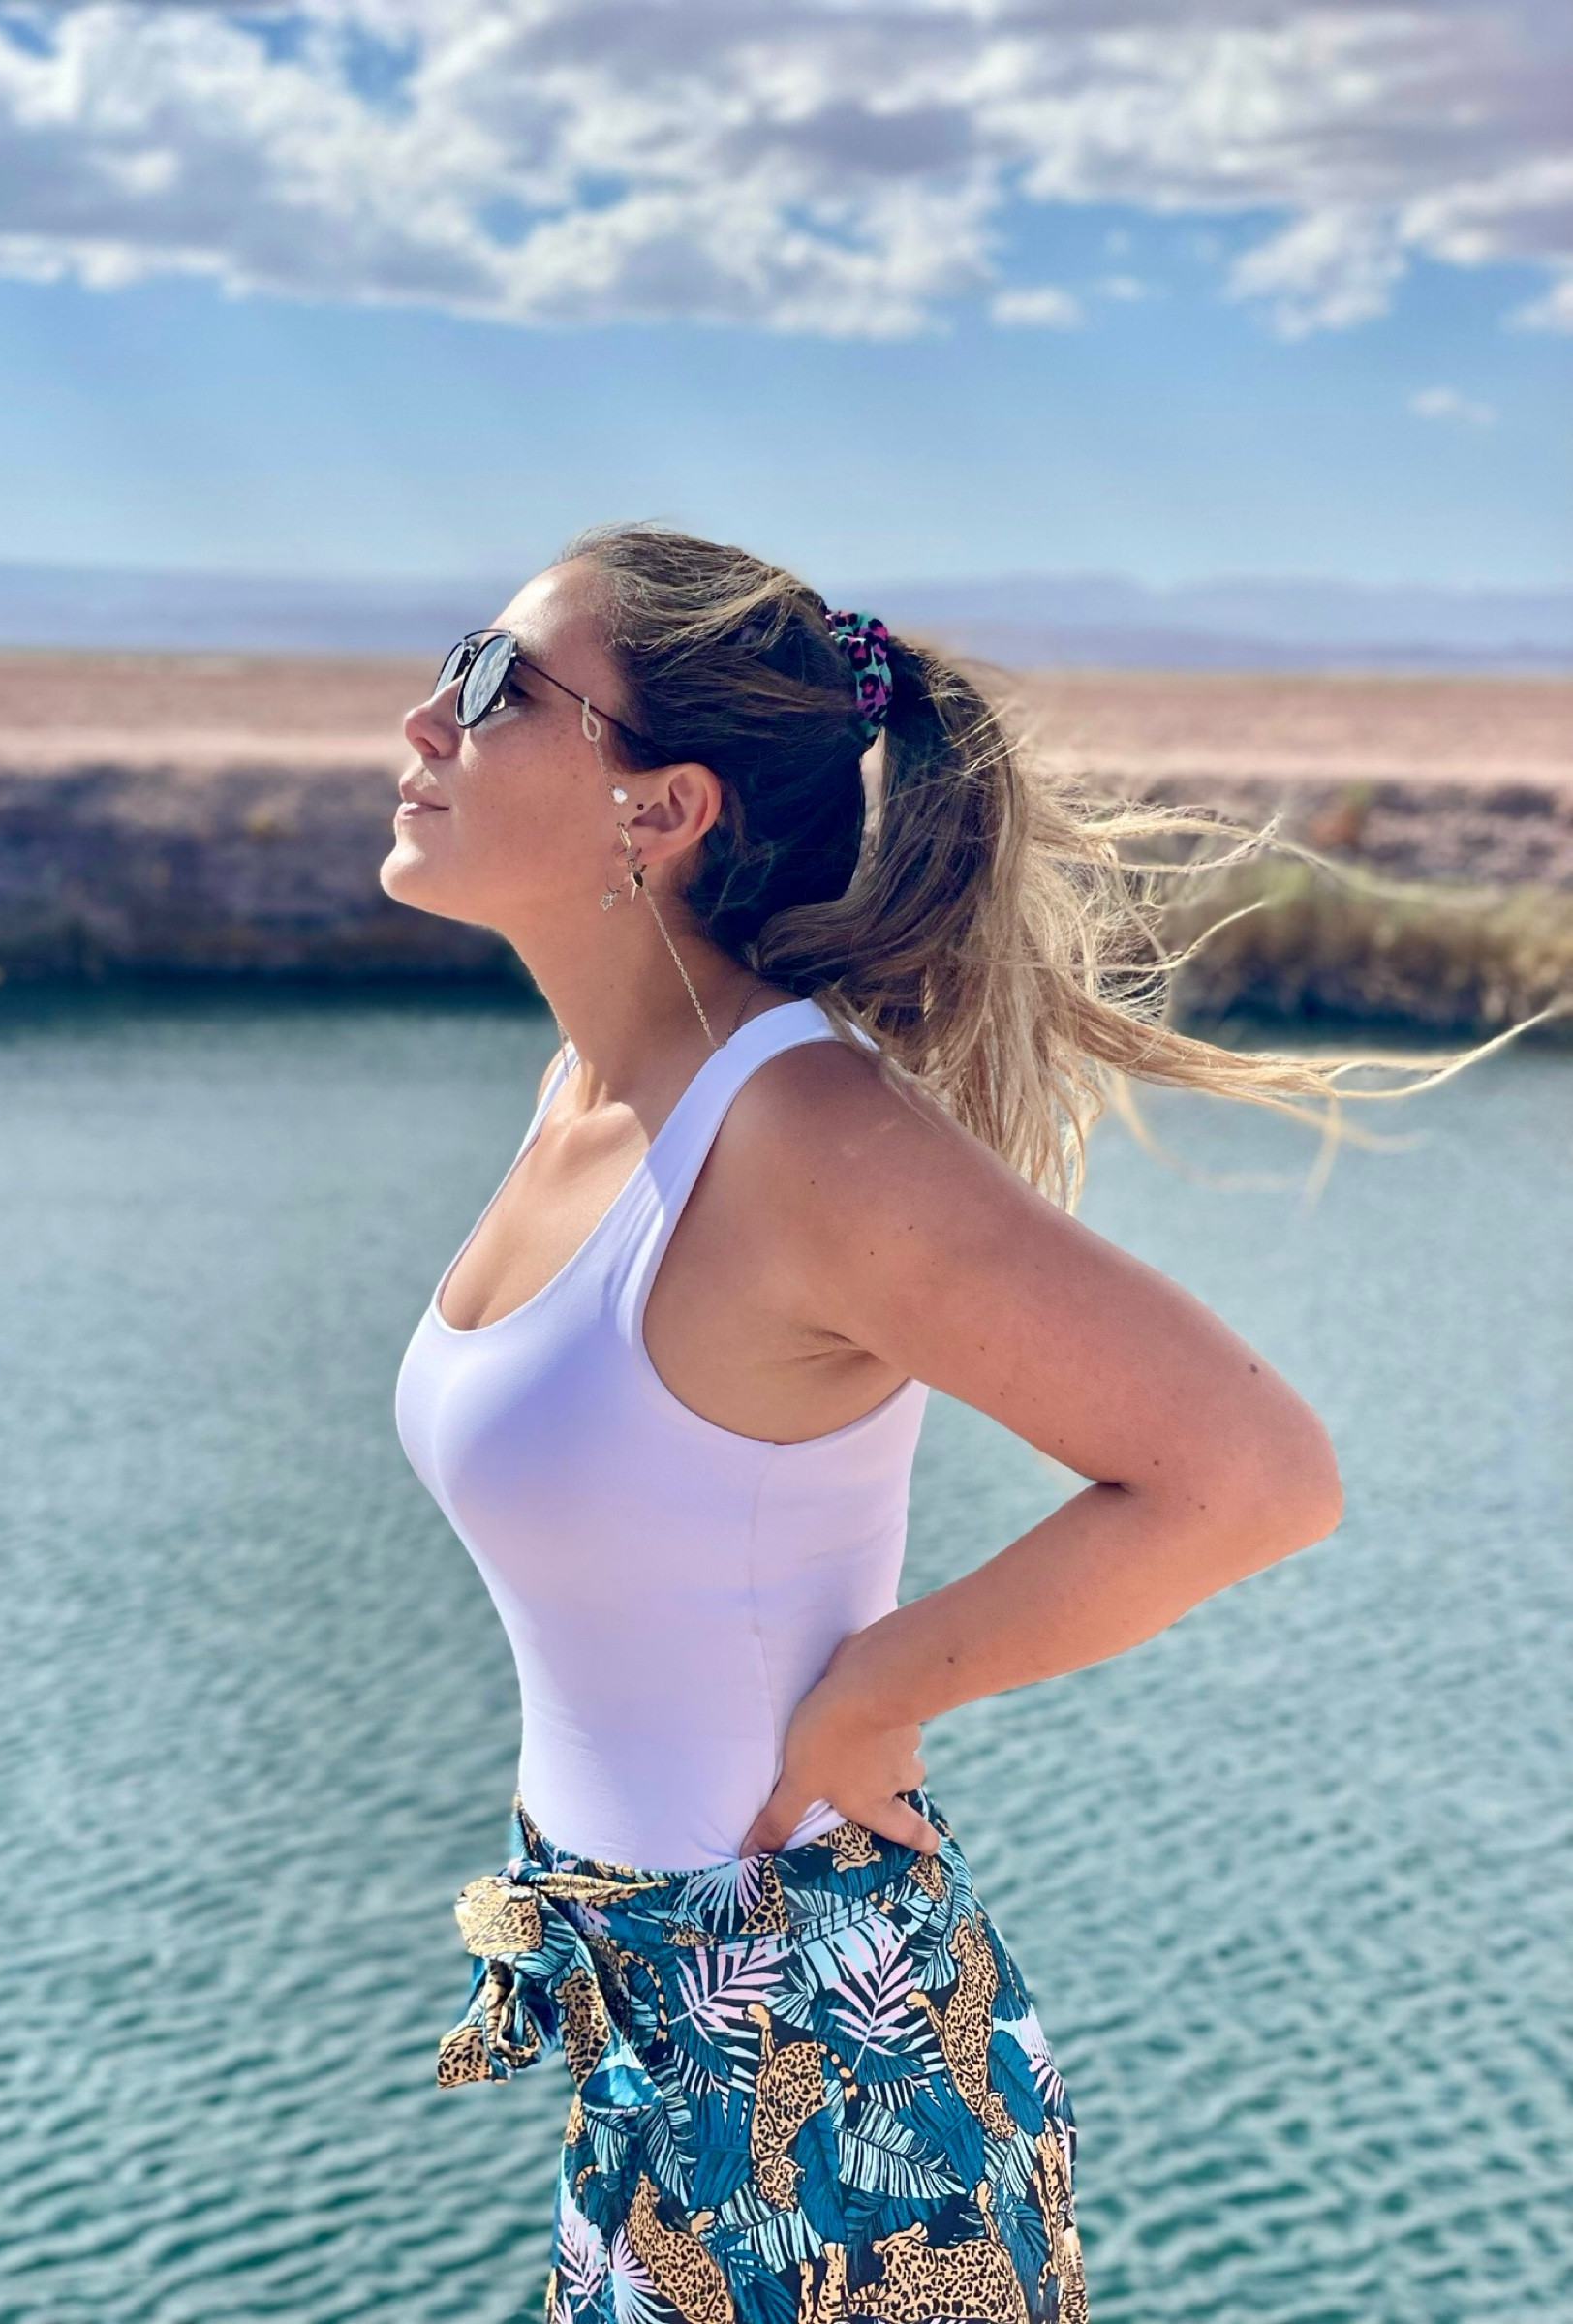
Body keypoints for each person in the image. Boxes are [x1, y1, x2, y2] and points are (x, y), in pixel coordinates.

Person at [384, 523, 1347, 2324]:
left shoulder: (803, 1138)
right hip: (662, 2018)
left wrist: (886, 1685)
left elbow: (1253, 1478)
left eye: (496, 684)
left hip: (828, 2064)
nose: (427, 720)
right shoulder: (590, 1091)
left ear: (664, 808)